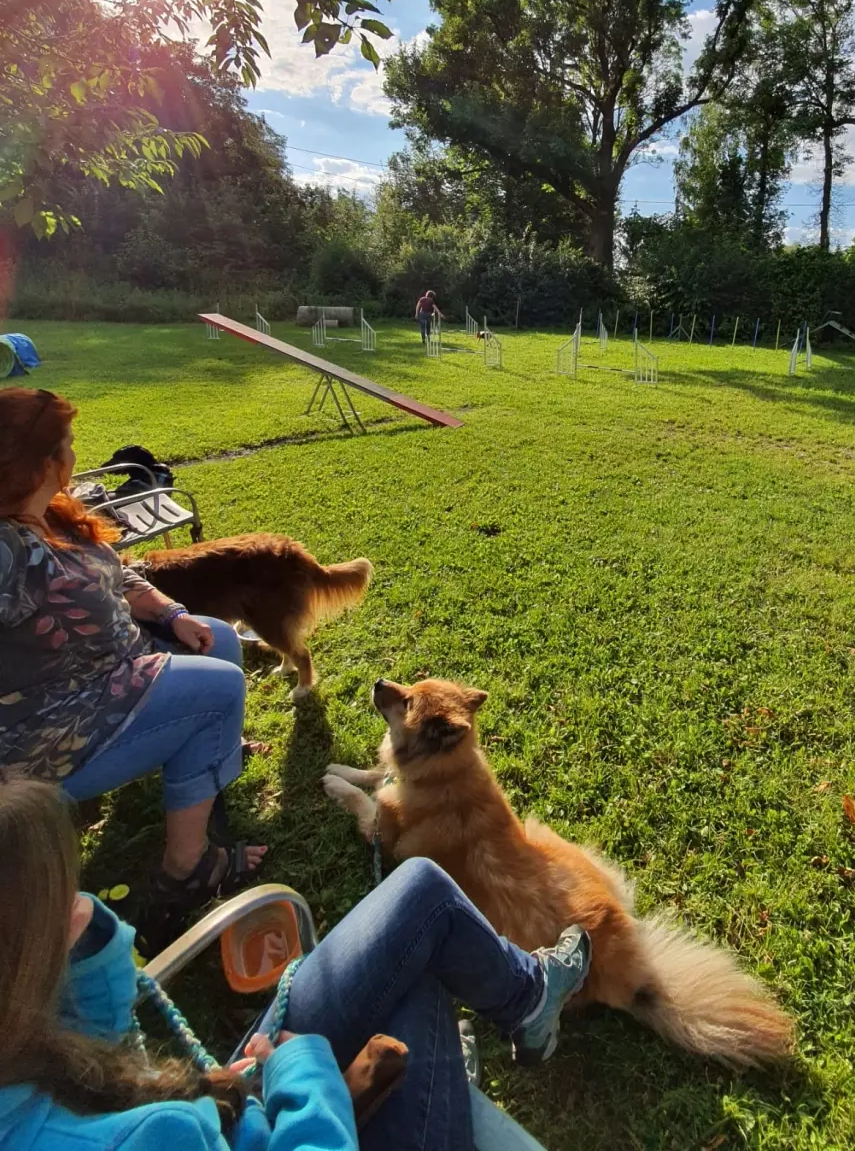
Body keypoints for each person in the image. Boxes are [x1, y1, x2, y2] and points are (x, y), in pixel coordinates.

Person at [0, 780, 591, 1151]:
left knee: (421, 899)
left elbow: (96, 1056)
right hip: (259, 1117)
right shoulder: (153, 1138)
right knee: (422, 960)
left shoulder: (22, 1047)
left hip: (226, 1100)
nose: (80, 900)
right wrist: (300, 1075)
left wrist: (85, 952)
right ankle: (487, 1044)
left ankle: (523, 1001)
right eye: (62, 896)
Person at [0, 388, 265, 911]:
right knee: (220, 687)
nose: (76, 454)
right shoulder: (8, 551)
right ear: (42, 463)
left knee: (221, 639)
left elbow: (120, 577)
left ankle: (211, 762)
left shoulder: (52, 514)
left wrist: (173, 615)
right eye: (69, 444)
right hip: (58, 724)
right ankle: (187, 871)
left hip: (118, 665)